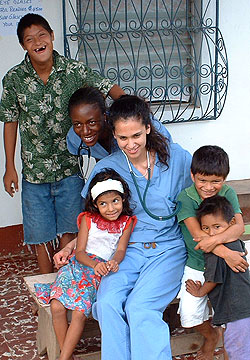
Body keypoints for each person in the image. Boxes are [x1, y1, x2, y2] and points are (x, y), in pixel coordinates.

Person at [56, 94, 193, 359]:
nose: (130, 145)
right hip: (125, 250)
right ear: (114, 135)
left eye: (136, 136)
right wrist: (73, 245)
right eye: (122, 138)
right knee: (106, 303)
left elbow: (202, 197)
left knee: (139, 308)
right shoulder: (108, 168)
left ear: (148, 128)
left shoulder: (176, 158)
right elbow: (94, 220)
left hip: (167, 250)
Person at [0, 13, 124, 274]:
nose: (38, 42)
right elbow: (10, 122)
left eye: (42, 35)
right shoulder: (13, 79)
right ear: (24, 45)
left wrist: (133, 110)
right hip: (34, 172)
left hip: (70, 170)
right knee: (41, 237)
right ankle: (47, 290)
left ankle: (67, 286)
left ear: (52, 36)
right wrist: (9, 167)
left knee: (71, 231)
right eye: (29, 39)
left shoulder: (74, 71)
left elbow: (107, 86)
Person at [35, 168, 136, 360]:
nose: (111, 208)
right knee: (56, 307)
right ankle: (67, 355)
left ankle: (63, 357)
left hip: (97, 274)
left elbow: (121, 249)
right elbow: (79, 252)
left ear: (123, 198)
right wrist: (93, 264)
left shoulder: (127, 222)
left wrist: (114, 261)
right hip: (78, 266)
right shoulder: (88, 219)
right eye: (103, 203)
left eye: (115, 201)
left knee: (80, 313)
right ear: (96, 205)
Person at [177, 145, 247, 360]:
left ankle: (229, 340)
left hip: (230, 262)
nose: (208, 187)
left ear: (224, 178)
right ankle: (211, 336)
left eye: (215, 181)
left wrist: (220, 247)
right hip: (199, 263)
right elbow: (198, 236)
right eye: (202, 180)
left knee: (235, 309)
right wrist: (227, 253)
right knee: (189, 315)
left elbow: (239, 227)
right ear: (192, 175)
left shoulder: (228, 192)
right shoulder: (186, 198)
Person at [186, 195, 250, 360]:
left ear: (231, 225)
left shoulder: (215, 252)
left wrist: (200, 292)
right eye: (205, 228)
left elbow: (214, 279)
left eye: (217, 227)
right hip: (243, 307)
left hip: (236, 311)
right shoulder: (236, 242)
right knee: (236, 347)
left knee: (238, 351)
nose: (211, 233)